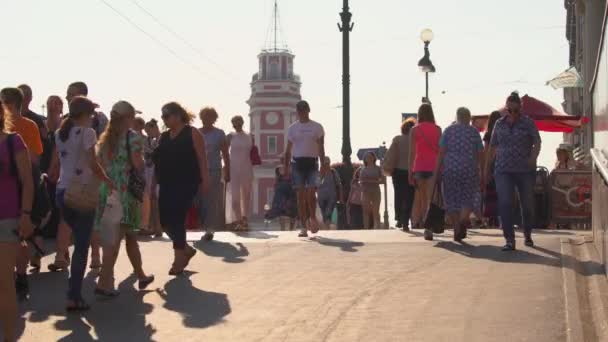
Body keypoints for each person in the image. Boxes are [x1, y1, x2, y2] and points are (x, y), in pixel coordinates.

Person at [55, 96, 113, 311]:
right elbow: (92, 161)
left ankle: (73, 291)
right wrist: (107, 180)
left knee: (77, 237)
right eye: (92, 114)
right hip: (81, 193)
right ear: (85, 114)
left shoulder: (59, 134)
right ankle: (74, 295)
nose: (93, 117)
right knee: (81, 246)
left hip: (62, 191)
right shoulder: (87, 132)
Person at [94, 101, 155, 297]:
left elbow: (100, 163)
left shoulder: (104, 138)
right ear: (128, 118)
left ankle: (141, 274)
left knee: (128, 235)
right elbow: (138, 164)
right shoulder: (133, 138)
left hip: (106, 190)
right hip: (125, 193)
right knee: (116, 238)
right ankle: (104, 282)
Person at [153, 102, 209, 275]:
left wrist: (205, 180)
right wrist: (153, 183)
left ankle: (178, 261)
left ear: (178, 115)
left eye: (167, 115)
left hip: (187, 181)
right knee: (165, 222)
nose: (164, 119)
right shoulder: (164, 136)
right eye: (162, 116)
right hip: (167, 182)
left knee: (177, 219)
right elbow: (158, 162)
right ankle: (186, 249)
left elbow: (202, 158)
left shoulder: (192, 133)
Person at [0, 87, 43, 300]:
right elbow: (35, 159)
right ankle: (20, 276)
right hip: (22, 186)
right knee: (22, 236)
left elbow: (33, 161)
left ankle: (19, 276)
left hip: (19, 189)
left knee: (21, 236)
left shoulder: (25, 127)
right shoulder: (29, 125)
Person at [486, 92, 541, 251]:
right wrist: (486, 169)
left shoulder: (528, 123)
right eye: (509, 110)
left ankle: (527, 234)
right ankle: (509, 239)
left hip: (525, 170)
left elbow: (537, 141)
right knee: (505, 203)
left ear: (520, 109)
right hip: (503, 170)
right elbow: (492, 147)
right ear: (506, 109)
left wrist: (533, 156)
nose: (513, 114)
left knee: (527, 204)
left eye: (516, 111)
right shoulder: (499, 123)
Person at [0, 93, 34, 342]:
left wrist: (25, 215)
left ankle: (10, 337)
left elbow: (28, 182)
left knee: (4, 281)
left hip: (7, 219)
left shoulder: (13, 142)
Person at [435, 107, 484, 242]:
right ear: (469, 118)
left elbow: (441, 152)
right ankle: (463, 220)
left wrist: (438, 170)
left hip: (450, 169)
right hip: (469, 169)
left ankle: (457, 227)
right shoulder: (474, 132)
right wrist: (482, 171)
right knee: (467, 197)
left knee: (451, 199)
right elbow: (480, 152)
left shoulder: (449, 130)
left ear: (457, 117)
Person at [284, 100, 326, 237]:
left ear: (308, 110)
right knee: (300, 195)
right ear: (297, 112)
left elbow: (321, 147)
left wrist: (323, 164)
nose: (302, 112)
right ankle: (303, 226)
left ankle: (312, 218)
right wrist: (285, 167)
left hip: (312, 162)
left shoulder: (317, 127)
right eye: (300, 110)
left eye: (304, 109)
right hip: (297, 163)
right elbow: (288, 150)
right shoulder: (292, 128)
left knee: (311, 193)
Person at [409, 103, 442, 241]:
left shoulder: (415, 130)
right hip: (434, 166)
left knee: (422, 199)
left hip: (420, 166)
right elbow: (441, 151)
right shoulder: (438, 129)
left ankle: (425, 226)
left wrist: (410, 172)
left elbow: (412, 153)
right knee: (432, 198)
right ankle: (430, 226)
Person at [198, 107, 230, 241]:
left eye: (211, 117)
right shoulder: (196, 133)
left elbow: (225, 154)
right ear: (202, 118)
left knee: (212, 200)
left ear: (214, 119)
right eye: (205, 116)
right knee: (200, 199)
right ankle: (204, 224)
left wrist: (227, 171)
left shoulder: (219, 134)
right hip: (198, 171)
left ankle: (210, 228)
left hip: (215, 170)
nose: (208, 119)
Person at [226, 115, 253, 232]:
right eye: (234, 122)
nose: (237, 124)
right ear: (232, 124)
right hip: (233, 168)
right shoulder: (230, 136)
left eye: (239, 122)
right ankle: (238, 221)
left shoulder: (250, 136)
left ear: (242, 122)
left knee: (246, 195)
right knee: (235, 196)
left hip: (247, 167)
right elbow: (225, 153)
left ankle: (245, 219)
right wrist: (225, 167)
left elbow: (253, 152)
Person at [390, 118, 416, 231]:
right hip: (412, 171)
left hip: (398, 171)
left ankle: (399, 218)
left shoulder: (397, 139)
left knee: (399, 195)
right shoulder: (415, 140)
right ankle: (406, 220)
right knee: (409, 196)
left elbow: (390, 154)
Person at [142, 119, 162, 237]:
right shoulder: (148, 140)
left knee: (155, 200)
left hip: (157, 171)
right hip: (148, 171)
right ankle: (151, 226)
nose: (148, 133)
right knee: (149, 199)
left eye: (149, 130)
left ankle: (158, 227)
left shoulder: (161, 139)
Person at [265, 155, 297, 230]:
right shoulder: (279, 169)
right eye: (283, 159)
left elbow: (277, 181)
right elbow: (276, 181)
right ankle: (284, 228)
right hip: (283, 193)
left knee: (291, 211)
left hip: (290, 192)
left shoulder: (292, 168)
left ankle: (290, 228)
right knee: (282, 211)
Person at [482, 111, 502, 227]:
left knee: (490, 191)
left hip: (491, 163)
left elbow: (485, 152)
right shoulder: (502, 132)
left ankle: (491, 217)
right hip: (502, 162)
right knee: (500, 191)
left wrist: (485, 167)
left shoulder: (488, 134)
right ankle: (499, 216)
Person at [360, 152, 384, 229]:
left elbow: (383, 180)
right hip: (365, 191)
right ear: (365, 160)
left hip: (376, 191)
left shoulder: (378, 168)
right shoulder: (363, 169)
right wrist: (371, 180)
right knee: (366, 211)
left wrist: (371, 181)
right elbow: (361, 181)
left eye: (370, 157)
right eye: (367, 157)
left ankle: (377, 228)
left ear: (374, 158)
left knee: (376, 211)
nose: (369, 158)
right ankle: (366, 228)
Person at [317, 157, 343, 226]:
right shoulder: (318, 173)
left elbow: (339, 185)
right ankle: (327, 227)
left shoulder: (333, 172)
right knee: (324, 215)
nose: (326, 165)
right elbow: (316, 186)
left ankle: (328, 227)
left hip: (332, 197)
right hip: (321, 198)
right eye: (324, 163)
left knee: (328, 213)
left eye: (327, 163)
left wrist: (341, 198)